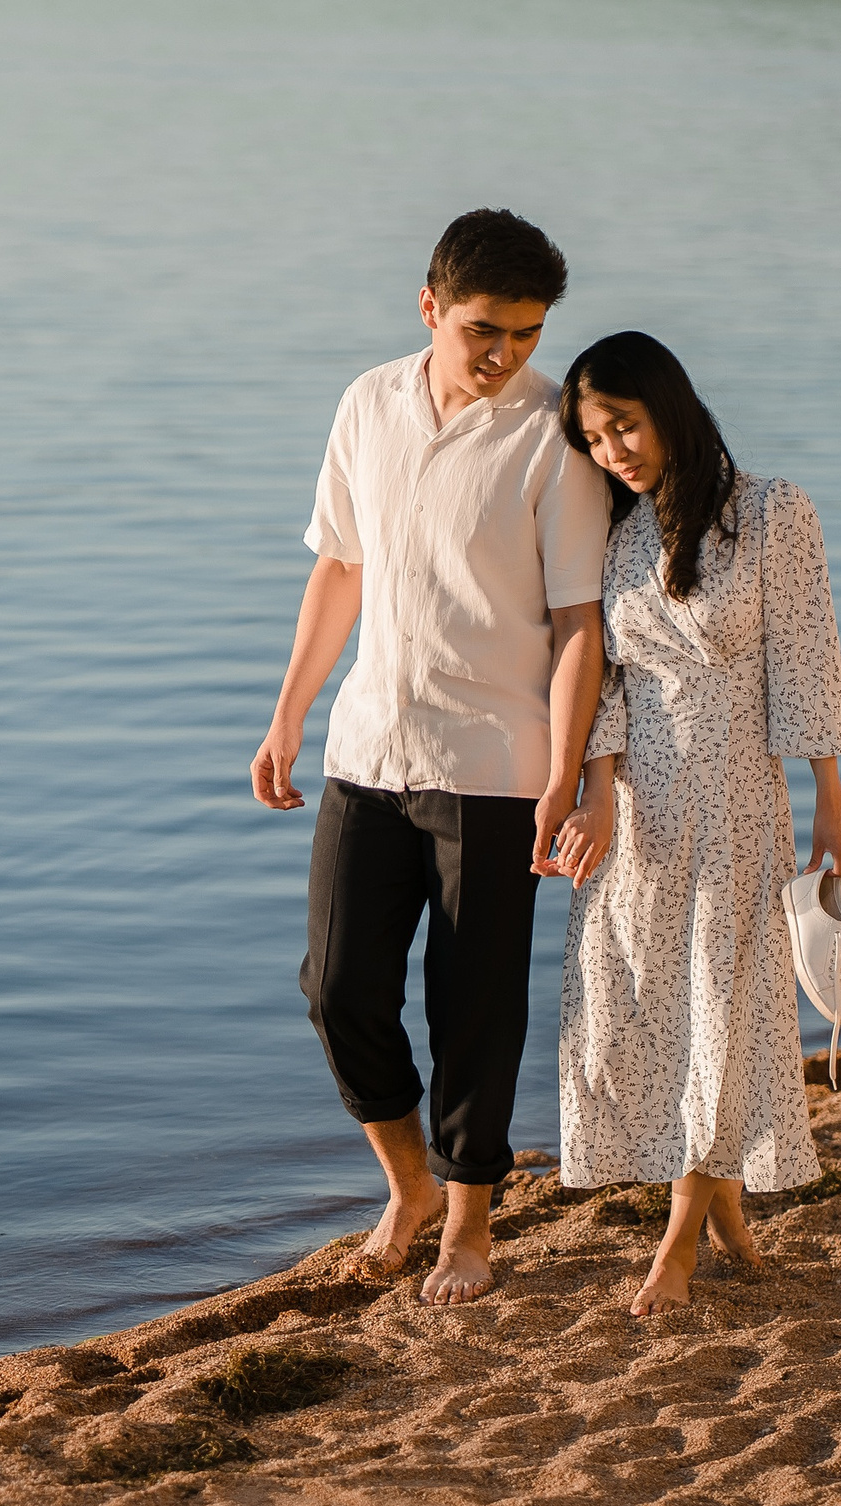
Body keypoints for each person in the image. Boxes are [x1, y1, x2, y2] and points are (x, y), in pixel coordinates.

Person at [251, 209, 611, 1306]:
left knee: (474, 1006)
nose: (504, 353)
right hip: (369, 747)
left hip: (497, 765)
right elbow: (340, 571)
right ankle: (405, 1182)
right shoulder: (367, 404)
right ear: (428, 307)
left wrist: (567, 774)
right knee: (336, 987)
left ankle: (467, 1225)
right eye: (482, 330)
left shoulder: (554, 436)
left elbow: (579, 624)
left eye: (527, 333)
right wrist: (286, 717)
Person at [545, 331, 841, 1317]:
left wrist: (832, 798)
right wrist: (595, 791)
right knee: (641, 1006)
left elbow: (808, 657)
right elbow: (607, 677)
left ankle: (679, 1240)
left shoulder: (771, 510)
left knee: (721, 1007)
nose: (614, 453)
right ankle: (725, 1207)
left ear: (669, 404)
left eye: (625, 426)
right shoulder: (619, 534)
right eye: (596, 440)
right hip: (641, 808)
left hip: (736, 795)